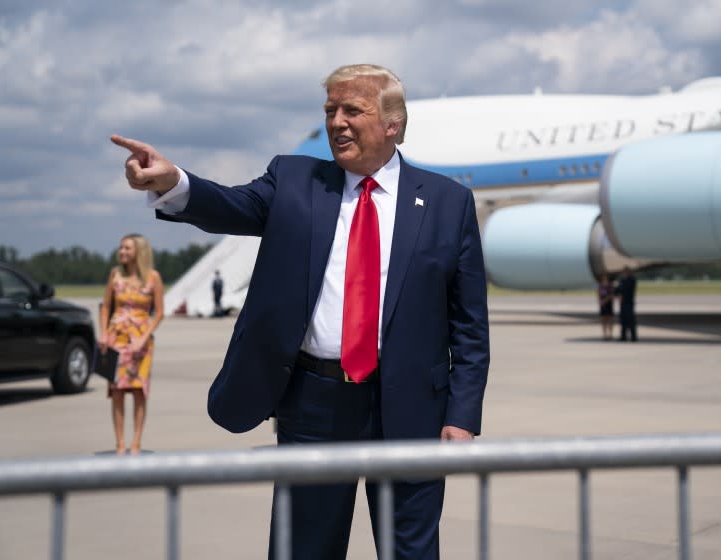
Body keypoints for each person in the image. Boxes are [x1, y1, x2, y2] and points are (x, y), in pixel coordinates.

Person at [111, 63, 490, 560]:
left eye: (352, 110)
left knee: (411, 552)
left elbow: (469, 327)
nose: (337, 122)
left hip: (411, 405)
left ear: (392, 123)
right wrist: (174, 181)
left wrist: (461, 416)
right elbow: (230, 204)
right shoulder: (294, 181)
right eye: (330, 110)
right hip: (315, 403)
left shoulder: (447, 203)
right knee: (304, 550)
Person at [98, 233, 164, 455]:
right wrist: (103, 333)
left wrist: (143, 338)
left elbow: (159, 313)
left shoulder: (153, 278)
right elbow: (106, 306)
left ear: (139, 251)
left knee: (138, 393)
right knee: (117, 392)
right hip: (116, 338)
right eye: (121, 248)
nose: (122, 252)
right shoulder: (115, 275)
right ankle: (120, 443)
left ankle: (135, 443)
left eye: (127, 248)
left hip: (141, 342)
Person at [615, 266, 638, 342]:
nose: (624, 273)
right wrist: (617, 294)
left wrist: (621, 294)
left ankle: (633, 337)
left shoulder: (632, 280)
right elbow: (617, 289)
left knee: (631, 320)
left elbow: (628, 289)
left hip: (628, 302)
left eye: (626, 272)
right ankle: (623, 336)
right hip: (622, 303)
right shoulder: (622, 280)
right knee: (623, 320)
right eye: (624, 272)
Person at [596, 273, 614, 340]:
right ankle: (604, 335)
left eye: (605, 278)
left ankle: (610, 335)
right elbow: (598, 294)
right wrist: (600, 301)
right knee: (603, 320)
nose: (604, 279)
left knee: (610, 320)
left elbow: (611, 295)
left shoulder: (610, 286)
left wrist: (605, 301)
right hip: (603, 305)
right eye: (603, 278)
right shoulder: (600, 286)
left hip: (609, 304)